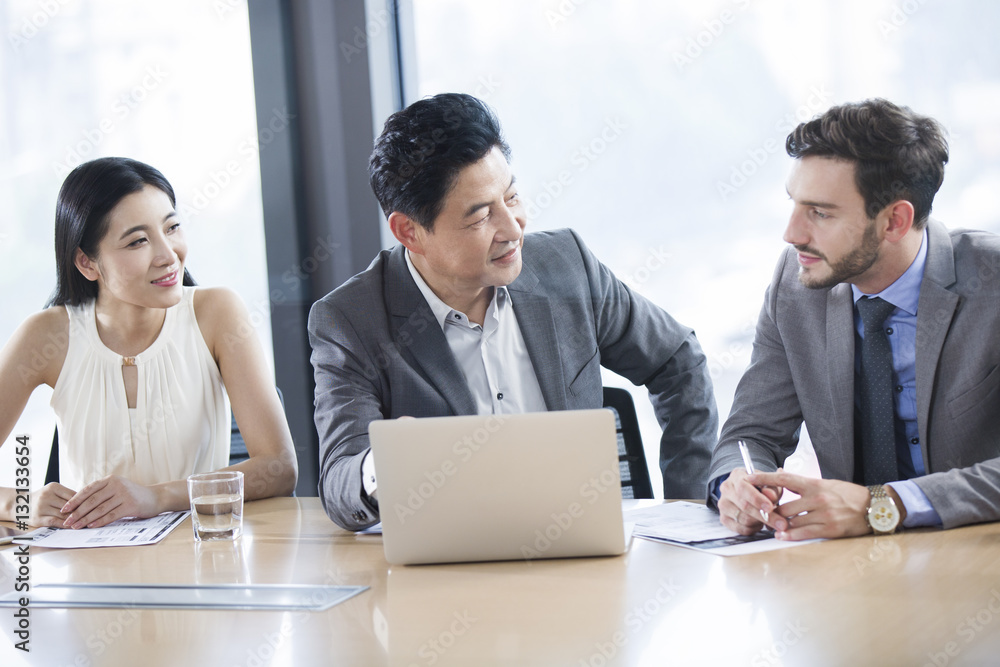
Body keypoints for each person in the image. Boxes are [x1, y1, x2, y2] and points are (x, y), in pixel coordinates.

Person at [308, 92, 718, 531]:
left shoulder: (567, 265)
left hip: (584, 556)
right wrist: (381, 464)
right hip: (450, 573)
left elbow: (678, 359)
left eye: (512, 196)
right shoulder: (351, 320)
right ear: (409, 230)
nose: (513, 227)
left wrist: (686, 508)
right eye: (481, 216)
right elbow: (339, 480)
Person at [710, 98, 1000, 540]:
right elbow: (751, 433)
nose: (792, 235)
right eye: (794, 204)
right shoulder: (796, 282)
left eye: (820, 213)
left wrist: (883, 507)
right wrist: (736, 484)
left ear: (894, 221)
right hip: (855, 571)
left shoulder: (992, 284)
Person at [0, 157, 297, 529]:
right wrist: (19, 502)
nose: (168, 255)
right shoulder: (47, 336)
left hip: (199, 558)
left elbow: (279, 467)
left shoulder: (217, 313)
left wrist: (155, 497)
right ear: (87, 263)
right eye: (138, 241)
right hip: (88, 567)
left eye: (171, 228)